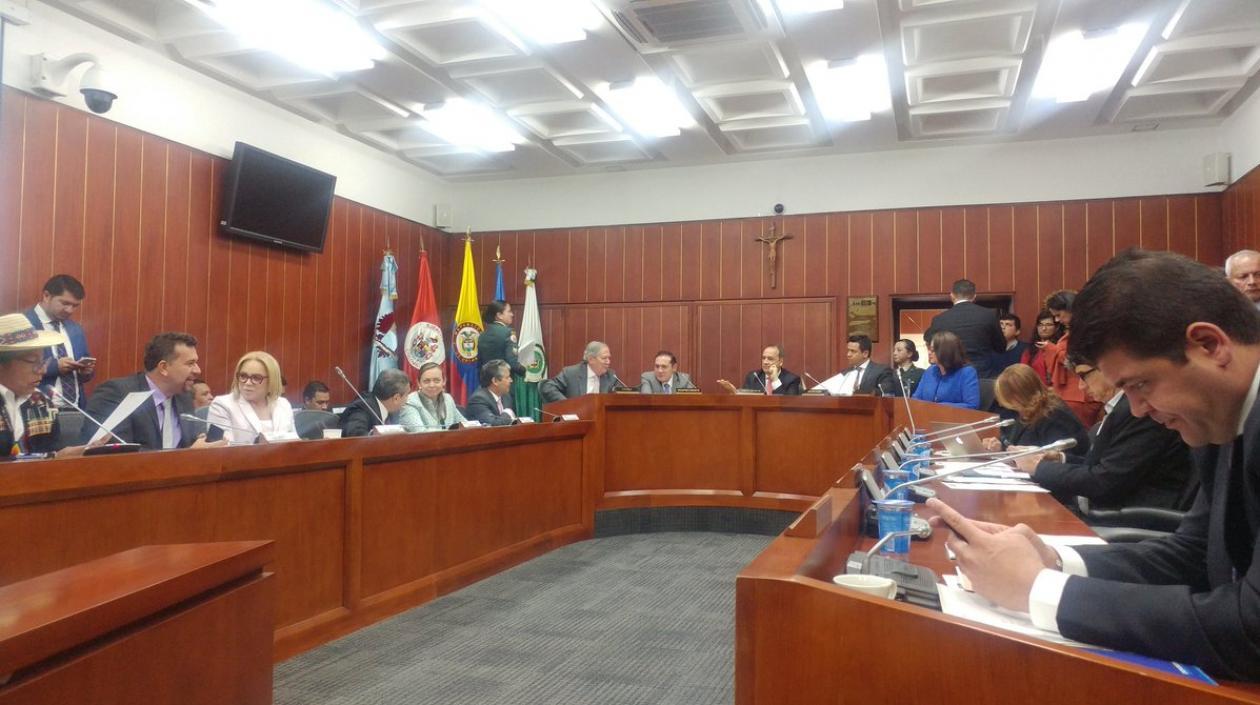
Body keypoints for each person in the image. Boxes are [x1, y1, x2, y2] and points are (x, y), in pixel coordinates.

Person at [927, 249, 1260, 681]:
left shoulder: (1211, 414)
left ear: (1209, 345)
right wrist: (1051, 560)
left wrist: (1039, 590)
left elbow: (1253, 630)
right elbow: (1195, 555)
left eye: (1141, 385)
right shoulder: (1218, 413)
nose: (1138, 410)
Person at [1016, 357, 1192, 512]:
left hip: (1127, 519)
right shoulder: (1121, 409)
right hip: (1104, 511)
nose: (1081, 386)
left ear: (1108, 369)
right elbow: (1107, 467)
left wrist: (1039, 467)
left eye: (1084, 375)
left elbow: (1105, 481)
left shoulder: (1138, 412)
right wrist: (1059, 459)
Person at [81, 332, 224, 450]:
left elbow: (190, 444)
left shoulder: (184, 398)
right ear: (163, 368)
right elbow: (113, 454)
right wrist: (187, 456)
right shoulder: (116, 393)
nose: (198, 370)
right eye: (190, 364)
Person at [0, 313, 92, 458]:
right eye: (32, 361)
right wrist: (53, 459)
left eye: (43, 362)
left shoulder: (40, 401)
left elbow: (50, 450)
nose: (42, 370)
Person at [984, 364, 1089, 453]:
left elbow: (1057, 458)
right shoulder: (1024, 412)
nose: (1002, 405)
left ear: (1018, 396)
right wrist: (1001, 448)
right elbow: (1016, 446)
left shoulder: (1054, 416)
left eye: (1007, 399)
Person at [24, 274, 94, 406]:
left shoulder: (75, 328)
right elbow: (12, 369)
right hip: (37, 409)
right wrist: (55, 367)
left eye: (75, 306)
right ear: (46, 296)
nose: (69, 310)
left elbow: (85, 371)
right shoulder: (23, 325)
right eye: (65, 303)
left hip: (76, 408)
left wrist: (86, 371)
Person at [206, 351, 296, 445]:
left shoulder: (283, 404)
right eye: (243, 376)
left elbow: (294, 442)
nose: (248, 383)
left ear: (272, 380)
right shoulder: (222, 405)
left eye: (256, 378)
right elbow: (222, 449)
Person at [1041, 290, 1102, 426]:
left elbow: (1077, 358)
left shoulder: (1086, 328)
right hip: (1073, 393)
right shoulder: (1078, 328)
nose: (1057, 320)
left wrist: (1052, 349)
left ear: (1069, 308)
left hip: (1080, 395)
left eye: (1058, 315)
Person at [924, 279, 1005, 378]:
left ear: (952, 296)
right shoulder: (989, 315)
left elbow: (929, 340)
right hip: (981, 374)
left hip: (951, 373)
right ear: (974, 296)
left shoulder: (940, 319)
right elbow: (1001, 347)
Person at [911, 332, 979, 409]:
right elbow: (916, 398)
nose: (929, 353)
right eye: (929, 349)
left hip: (954, 419)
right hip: (927, 417)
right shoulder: (930, 371)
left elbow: (972, 405)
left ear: (946, 352)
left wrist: (937, 407)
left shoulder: (967, 372)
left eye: (933, 350)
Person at [339, 369, 410, 437]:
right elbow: (354, 434)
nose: (407, 400)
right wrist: (374, 437)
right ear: (396, 398)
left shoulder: (390, 411)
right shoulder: (362, 408)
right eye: (407, 395)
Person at [539, 341, 619, 402]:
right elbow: (548, 387)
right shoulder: (571, 373)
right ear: (591, 359)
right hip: (577, 419)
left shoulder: (611, 376)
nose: (608, 362)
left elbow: (622, 395)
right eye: (604, 358)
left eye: (609, 358)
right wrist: (568, 404)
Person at [398, 362, 466, 432]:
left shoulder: (448, 399)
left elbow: (465, 425)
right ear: (419, 383)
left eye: (436, 381)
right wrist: (450, 434)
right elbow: (419, 433)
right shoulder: (410, 402)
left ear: (444, 381)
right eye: (426, 381)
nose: (432, 385)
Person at [717, 344, 802, 395]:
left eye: (770, 359)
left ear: (780, 361)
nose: (765, 362)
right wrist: (735, 393)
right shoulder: (753, 377)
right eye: (763, 358)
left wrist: (775, 380)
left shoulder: (792, 380)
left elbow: (789, 404)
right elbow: (746, 401)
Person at [824, 335, 894, 395]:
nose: (848, 354)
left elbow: (885, 393)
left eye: (853, 351)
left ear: (865, 353)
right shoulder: (844, 373)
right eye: (848, 350)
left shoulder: (881, 371)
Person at [478, 300, 524, 377]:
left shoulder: (482, 335)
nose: (512, 314)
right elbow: (513, 363)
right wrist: (525, 370)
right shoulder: (508, 332)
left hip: (486, 383)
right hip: (504, 382)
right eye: (509, 311)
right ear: (499, 315)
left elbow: (479, 363)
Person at [467, 360, 517, 426]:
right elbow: (492, 424)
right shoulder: (478, 399)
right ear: (495, 381)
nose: (511, 380)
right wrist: (507, 413)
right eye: (507, 377)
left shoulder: (506, 396)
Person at [1020, 309, 1063, 385]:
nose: (1044, 328)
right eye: (1040, 325)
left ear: (1056, 327)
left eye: (1048, 325)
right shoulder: (1030, 350)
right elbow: (1023, 374)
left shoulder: (1061, 347)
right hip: (1036, 391)